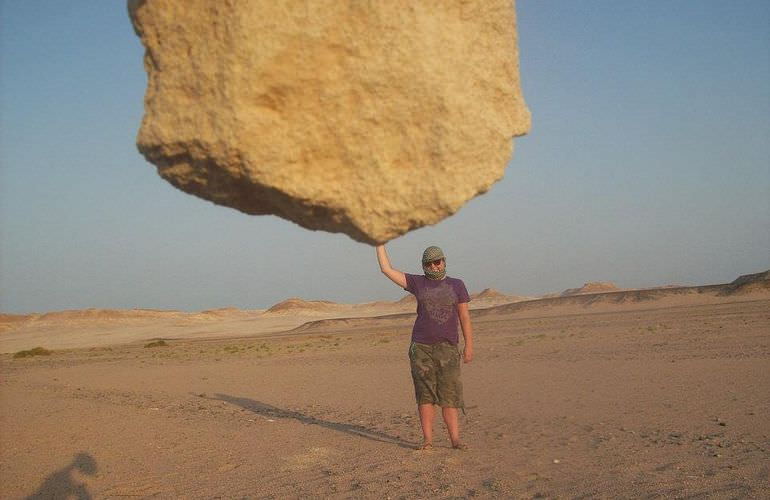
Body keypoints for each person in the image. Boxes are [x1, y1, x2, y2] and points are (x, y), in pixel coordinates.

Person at [376, 244, 474, 450]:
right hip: (421, 348)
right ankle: (427, 440)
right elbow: (386, 269)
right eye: (429, 263)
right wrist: (379, 243)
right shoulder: (417, 282)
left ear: (444, 261)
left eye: (437, 262)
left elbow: (464, 317)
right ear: (423, 265)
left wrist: (469, 346)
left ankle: (455, 440)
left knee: (450, 394)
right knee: (425, 395)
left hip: (448, 348)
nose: (434, 266)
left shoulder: (457, 285)